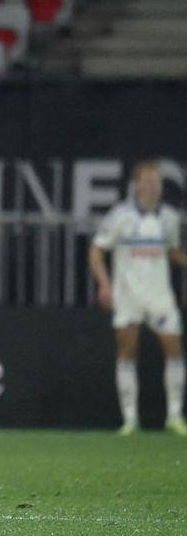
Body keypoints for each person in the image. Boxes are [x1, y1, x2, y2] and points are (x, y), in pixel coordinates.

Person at [89, 160, 187, 436]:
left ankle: (175, 416)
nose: (153, 187)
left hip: (160, 296)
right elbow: (96, 250)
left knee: (175, 350)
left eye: (157, 182)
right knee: (127, 352)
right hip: (128, 295)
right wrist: (104, 284)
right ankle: (130, 420)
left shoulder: (169, 217)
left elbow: (171, 251)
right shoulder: (120, 216)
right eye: (148, 181)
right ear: (136, 185)